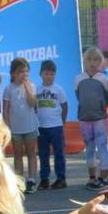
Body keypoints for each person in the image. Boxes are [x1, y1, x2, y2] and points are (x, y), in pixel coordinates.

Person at [74, 47, 108, 190]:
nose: (93, 63)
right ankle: (92, 177)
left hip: (99, 119)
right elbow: (79, 96)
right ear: (85, 61)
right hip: (84, 119)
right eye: (90, 59)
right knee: (90, 149)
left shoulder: (104, 79)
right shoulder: (79, 79)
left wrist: (101, 108)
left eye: (96, 60)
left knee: (102, 148)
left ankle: (103, 177)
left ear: (100, 62)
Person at [3, 58, 40, 193]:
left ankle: (31, 180)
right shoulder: (9, 89)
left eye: (26, 72)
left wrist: (27, 88)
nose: (24, 75)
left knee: (31, 153)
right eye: (20, 72)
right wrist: (7, 126)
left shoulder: (32, 86)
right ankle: (19, 181)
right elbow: (6, 109)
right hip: (15, 128)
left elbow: (32, 103)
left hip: (30, 126)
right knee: (18, 154)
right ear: (13, 73)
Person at [35, 59, 68, 189]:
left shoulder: (58, 89)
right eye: (46, 73)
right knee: (43, 154)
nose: (49, 76)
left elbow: (64, 105)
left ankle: (61, 178)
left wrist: (63, 120)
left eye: (52, 74)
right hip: (41, 127)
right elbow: (34, 107)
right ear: (41, 74)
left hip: (56, 126)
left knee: (59, 153)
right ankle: (44, 179)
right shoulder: (37, 90)